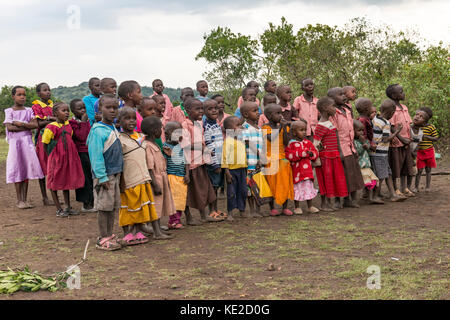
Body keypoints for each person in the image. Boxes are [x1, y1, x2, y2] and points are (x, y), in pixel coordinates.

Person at [117, 108, 160, 245]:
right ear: (119, 121)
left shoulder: (141, 137)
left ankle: (137, 231)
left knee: (141, 206)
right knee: (128, 206)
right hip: (128, 179)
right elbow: (119, 162)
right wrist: (121, 181)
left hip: (143, 177)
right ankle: (127, 233)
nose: (131, 121)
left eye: (133, 118)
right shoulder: (119, 139)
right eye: (127, 118)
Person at [87, 94, 123, 251]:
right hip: (105, 176)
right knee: (103, 208)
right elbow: (96, 156)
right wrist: (101, 176)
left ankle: (110, 234)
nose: (113, 110)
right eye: (108, 107)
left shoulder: (112, 128)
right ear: (99, 110)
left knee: (112, 207)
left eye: (115, 107)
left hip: (114, 174)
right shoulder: (97, 131)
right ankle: (103, 237)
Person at [3, 86, 44, 209]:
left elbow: (34, 125)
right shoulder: (9, 111)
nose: (22, 97)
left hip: (27, 142)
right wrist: (27, 126)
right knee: (17, 168)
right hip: (15, 144)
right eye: (19, 94)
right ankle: (19, 200)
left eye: (24, 95)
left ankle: (25, 200)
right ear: (13, 96)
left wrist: (19, 123)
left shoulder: (29, 110)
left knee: (26, 168)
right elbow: (9, 128)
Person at [41, 102, 84, 217]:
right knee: (54, 181)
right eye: (63, 111)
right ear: (55, 113)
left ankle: (68, 207)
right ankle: (59, 209)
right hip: (56, 159)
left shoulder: (68, 125)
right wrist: (52, 156)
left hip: (68, 159)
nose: (66, 113)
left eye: (67, 110)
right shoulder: (51, 127)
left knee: (66, 181)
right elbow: (45, 144)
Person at [181, 98, 218, 223]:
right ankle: (189, 217)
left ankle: (203, 216)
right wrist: (203, 149)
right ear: (188, 111)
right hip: (190, 164)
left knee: (203, 190)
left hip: (200, 162)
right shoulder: (185, 125)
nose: (201, 111)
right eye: (197, 109)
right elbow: (185, 145)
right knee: (189, 192)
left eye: (201, 108)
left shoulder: (199, 123)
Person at [328, 87, 364, 208]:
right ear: (332, 99)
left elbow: (351, 131)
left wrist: (354, 147)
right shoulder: (333, 114)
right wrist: (339, 151)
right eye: (340, 94)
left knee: (353, 174)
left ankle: (352, 200)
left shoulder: (347, 110)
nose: (343, 96)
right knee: (341, 175)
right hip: (341, 148)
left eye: (344, 94)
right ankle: (339, 200)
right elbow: (335, 132)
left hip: (350, 147)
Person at [142, 116, 177, 237]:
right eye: (160, 129)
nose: (162, 131)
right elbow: (149, 167)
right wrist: (155, 184)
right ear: (154, 130)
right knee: (155, 206)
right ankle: (156, 232)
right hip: (155, 179)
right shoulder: (147, 146)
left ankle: (157, 229)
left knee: (159, 205)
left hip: (161, 177)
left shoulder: (153, 144)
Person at [313, 97, 348, 211]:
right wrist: (316, 159)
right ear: (324, 108)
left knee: (332, 179)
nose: (335, 109)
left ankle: (330, 203)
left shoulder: (329, 123)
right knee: (325, 180)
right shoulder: (320, 126)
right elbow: (316, 144)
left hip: (334, 156)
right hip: (325, 158)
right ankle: (324, 204)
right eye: (333, 106)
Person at [370, 99, 405, 202]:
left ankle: (392, 194)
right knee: (381, 175)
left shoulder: (375, 119)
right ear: (392, 112)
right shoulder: (386, 123)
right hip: (380, 153)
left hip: (376, 152)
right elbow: (386, 139)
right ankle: (375, 196)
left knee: (388, 173)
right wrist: (396, 132)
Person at [262, 104, 294, 216]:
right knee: (272, 183)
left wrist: (285, 128)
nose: (281, 116)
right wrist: (281, 127)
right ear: (270, 116)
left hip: (282, 158)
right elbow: (272, 139)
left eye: (281, 113)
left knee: (284, 182)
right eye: (278, 113)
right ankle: (273, 208)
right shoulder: (265, 127)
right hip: (270, 159)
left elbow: (286, 142)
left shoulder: (283, 126)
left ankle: (284, 207)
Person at [285, 119, 320, 214]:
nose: (304, 132)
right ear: (294, 132)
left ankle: (310, 206)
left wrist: (311, 154)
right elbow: (289, 156)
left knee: (308, 188)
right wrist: (303, 153)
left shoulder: (308, 143)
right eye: (301, 130)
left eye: (305, 129)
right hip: (297, 173)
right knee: (297, 189)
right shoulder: (291, 144)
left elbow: (315, 153)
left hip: (307, 172)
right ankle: (297, 207)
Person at [386, 84, 415, 197]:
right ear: (394, 95)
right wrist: (401, 138)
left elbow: (409, 125)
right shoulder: (392, 108)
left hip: (406, 143)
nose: (403, 93)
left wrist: (408, 138)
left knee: (406, 166)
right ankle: (396, 189)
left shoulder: (404, 107)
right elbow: (391, 126)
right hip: (397, 143)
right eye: (401, 91)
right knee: (396, 167)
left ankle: (406, 188)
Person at [241, 101, 268, 217]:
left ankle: (258, 209)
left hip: (259, 163)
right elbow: (248, 143)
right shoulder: (245, 127)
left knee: (258, 186)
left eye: (258, 110)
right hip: (250, 163)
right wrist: (259, 156)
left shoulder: (259, 128)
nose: (258, 113)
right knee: (250, 188)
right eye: (255, 111)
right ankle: (252, 210)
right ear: (246, 114)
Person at [69, 99, 95, 213]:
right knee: (84, 178)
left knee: (91, 177)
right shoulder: (72, 123)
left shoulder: (87, 121)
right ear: (73, 111)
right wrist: (84, 123)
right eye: (80, 108)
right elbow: (81, 136)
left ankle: (93, 201)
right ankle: (86, 203)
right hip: (80, 153)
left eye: (84, 107)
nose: (83, 110)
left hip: (89, 152)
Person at [163, 122, 190, 229]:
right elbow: (164, 164)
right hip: (171, 176)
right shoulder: (165, 147)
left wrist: (187, 173)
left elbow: (186, 161)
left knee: (181, 199)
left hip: (181, 176)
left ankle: (176, 219)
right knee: (173, 200)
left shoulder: (181, 146)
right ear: (167, 133)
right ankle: (174, 220)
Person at [31, 82, 54, 206]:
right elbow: (38, 123)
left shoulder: (52, 105)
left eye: (49, 89)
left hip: (54, 139)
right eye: (45, 90)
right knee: (43, 166)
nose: (48, 92)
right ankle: (45, 197)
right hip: (42, 139)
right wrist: (51, 119)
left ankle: (53, 195)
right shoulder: (36, 106)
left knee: (52, 166)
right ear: (39, 93)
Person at [222, 116, 248, 220]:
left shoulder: (241, 140)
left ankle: (242, 210)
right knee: (231, 192)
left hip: (242, 170)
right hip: (232, 171)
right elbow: (224, 157)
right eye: (237, 125)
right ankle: (230, 212)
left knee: (243, 191)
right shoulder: (228, 141)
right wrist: (227, 172)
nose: (240, 127)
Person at [203, 99, 225, 220]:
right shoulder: (206, 126)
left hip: (219, 160)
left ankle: (216, 209)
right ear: (204, 111)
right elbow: (209, 146)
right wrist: (215, 164)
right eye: (210, 109)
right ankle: (211, 210)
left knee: (217, 186)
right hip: (213, 162)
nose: (214, 110)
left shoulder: (215, 124)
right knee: (213, 187)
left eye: (215, 108)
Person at [353, 119, 384, 204]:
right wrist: (364, 146)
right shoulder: (354, 142)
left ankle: (371, 198)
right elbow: (358, 152)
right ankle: (357, 199)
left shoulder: (363, 140)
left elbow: (369, 147)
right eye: (359, 131)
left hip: (367, 166)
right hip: (361, 167)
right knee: (365, 184)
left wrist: (369, 146)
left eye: (363, 130)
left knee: (374, 181)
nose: (362, 132)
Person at [414, 107, 439, 192]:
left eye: (421, 116)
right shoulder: (417, 126)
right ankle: (416, 187)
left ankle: (427, 187)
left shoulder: (431, 127)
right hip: (420, 152)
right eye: (418, 114)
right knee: (419, 170)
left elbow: (436, 138)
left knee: (428, 170)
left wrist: (427, 137)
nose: (418, 117)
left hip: (429, 151)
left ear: (426, 119)